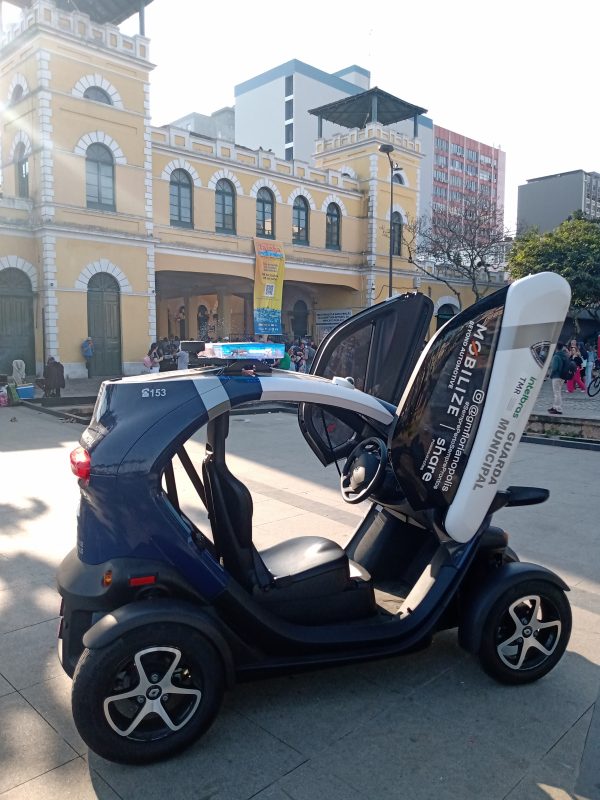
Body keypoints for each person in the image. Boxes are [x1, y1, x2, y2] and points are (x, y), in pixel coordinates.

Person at [548, 342, 570, 415]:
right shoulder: (564, 355)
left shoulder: (556, 356)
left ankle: (558, 408)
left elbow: (555, 368)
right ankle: (554, 406)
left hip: (556, 376)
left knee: (557, 393)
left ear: (556, 348)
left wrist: (551, 374)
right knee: (558, 392)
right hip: (562, 376)